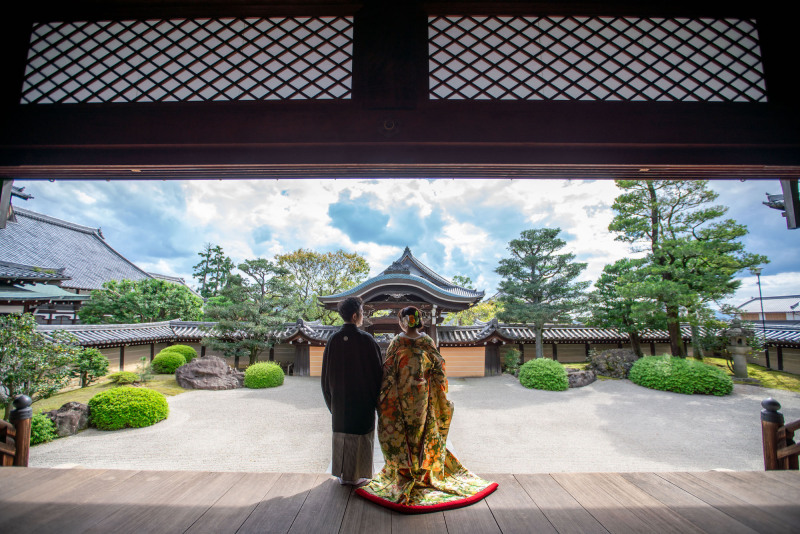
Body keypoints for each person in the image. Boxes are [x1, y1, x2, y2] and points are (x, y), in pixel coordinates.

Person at [356, 306, 497, 513]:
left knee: (404, 433)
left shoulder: (398, 342)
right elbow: (439, 368)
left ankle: (407, 471)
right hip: (422, 396)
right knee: (420, 433)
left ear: (403, 321)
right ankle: (421, 471)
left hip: (401, 396)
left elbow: (387, 370)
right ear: (418, 320)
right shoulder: (427, 342)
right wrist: (437, 390)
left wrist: (383, 395)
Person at [321, 296, 383, 486]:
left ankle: (342, 475)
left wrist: (331, 402)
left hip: (340, 402)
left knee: (342, 437)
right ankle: (361, 475)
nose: (363, 316)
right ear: (355, 315)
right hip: (363, 402)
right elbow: (378, 374)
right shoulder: (367, 340)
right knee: (362, 437)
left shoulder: (333, 340)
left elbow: (325, 377)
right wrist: (376, 401)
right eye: (362, 312)